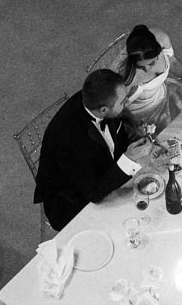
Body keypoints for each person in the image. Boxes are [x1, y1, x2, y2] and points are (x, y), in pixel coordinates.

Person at [33, 69, 143, 232]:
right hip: (71, 200)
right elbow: (95, 193)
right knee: (129, 223)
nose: (126, 104)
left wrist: (133, 123)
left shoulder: (95, 97)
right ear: (104, 110)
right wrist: (129, 159)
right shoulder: (70, 142)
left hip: (101, 166)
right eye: (122, 102)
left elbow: (116, 122)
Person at [118, 24, 182, 136]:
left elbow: (173, 63)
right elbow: (119, 108)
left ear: (159, 51)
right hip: (142, 115)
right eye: (141, 67)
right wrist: (135, 124)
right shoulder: (127, 76)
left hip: (166, 96)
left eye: (151, 63)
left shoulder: (162, 38)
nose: (147, 69)